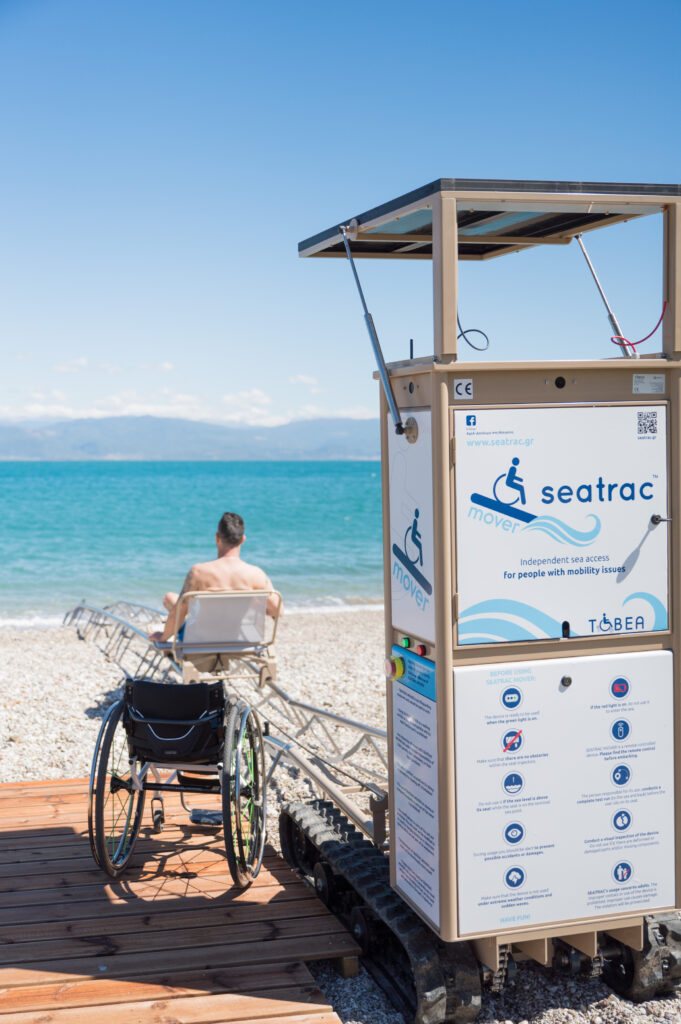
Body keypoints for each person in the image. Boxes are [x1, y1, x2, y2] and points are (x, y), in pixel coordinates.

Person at [148, 512, 282, 643]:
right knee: (172, 598)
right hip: (237, 640)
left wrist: (163, 637)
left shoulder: (198, 572)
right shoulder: (256, 574)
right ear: (243, 539)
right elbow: (278, 611)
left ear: (217, 537)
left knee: (170, 598)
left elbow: (179, 612)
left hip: (199, 639)